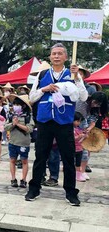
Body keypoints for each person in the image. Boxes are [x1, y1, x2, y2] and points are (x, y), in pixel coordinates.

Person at [26, 43, 88, 206]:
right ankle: (34, 188)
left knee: (68, 157)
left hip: (64, 121)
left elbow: (83, 97)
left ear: (66, 57)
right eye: (54, 53)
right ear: (50, 56)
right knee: (40, 156)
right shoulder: (42, 75)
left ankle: (71, 192)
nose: (56, 56)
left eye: (60, 53)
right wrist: (44, 89)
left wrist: (79, 78)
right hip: (45, 120)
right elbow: (31, 98)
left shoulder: (73, 74)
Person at [4, 95, 34, 188]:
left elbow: (29, 129)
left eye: (18, 104)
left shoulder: (28, 116)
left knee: (24, 160)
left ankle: (24, 179)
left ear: (23, 106)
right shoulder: (11, 115)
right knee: (12, 160)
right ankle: (13, 179)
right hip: (13, 141)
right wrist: (13, 124)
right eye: (15, 104)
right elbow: (5, 127)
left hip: (24, 143)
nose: (15, 106)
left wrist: (18, 125)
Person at [73, 112, 87, 182]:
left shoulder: (79, 129)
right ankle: (72, 174)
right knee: (72, 162)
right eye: (77, 121)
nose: (78, 123)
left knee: (78, 163)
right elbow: (71, 138)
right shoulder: (70, 129)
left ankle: (78, 175)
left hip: (79, 149)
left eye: (79, 121)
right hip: (73, 148)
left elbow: (82, 138)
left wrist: (84, 136)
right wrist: (78, 137)